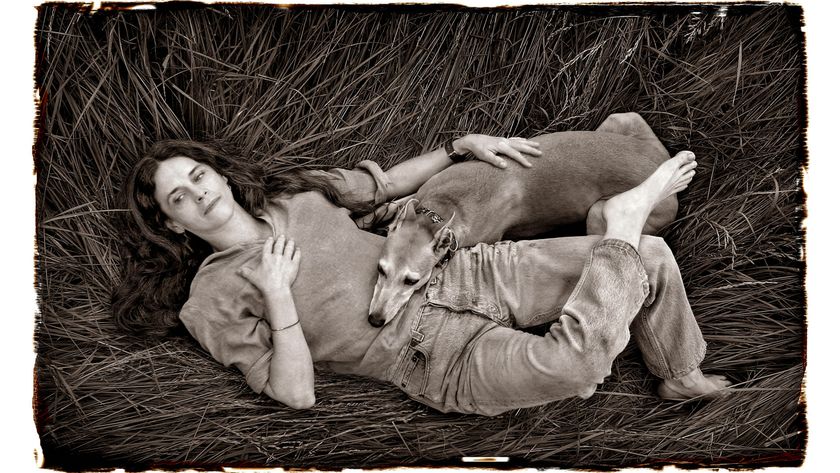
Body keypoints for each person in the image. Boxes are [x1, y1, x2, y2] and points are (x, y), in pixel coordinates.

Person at [114, 122, 730, 415]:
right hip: (430, 356)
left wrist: (462, 147)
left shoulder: (297, 195)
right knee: (573, 366)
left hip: (468, 272)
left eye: (197, 176)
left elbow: (383, 185)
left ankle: (678, 370)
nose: (197, 195)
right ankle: (619, 228)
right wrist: (277, 298)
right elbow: (293, 392)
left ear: (217, 172)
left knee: (655, 255)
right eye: (177, 199)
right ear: (172, 224)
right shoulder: (210, 298)